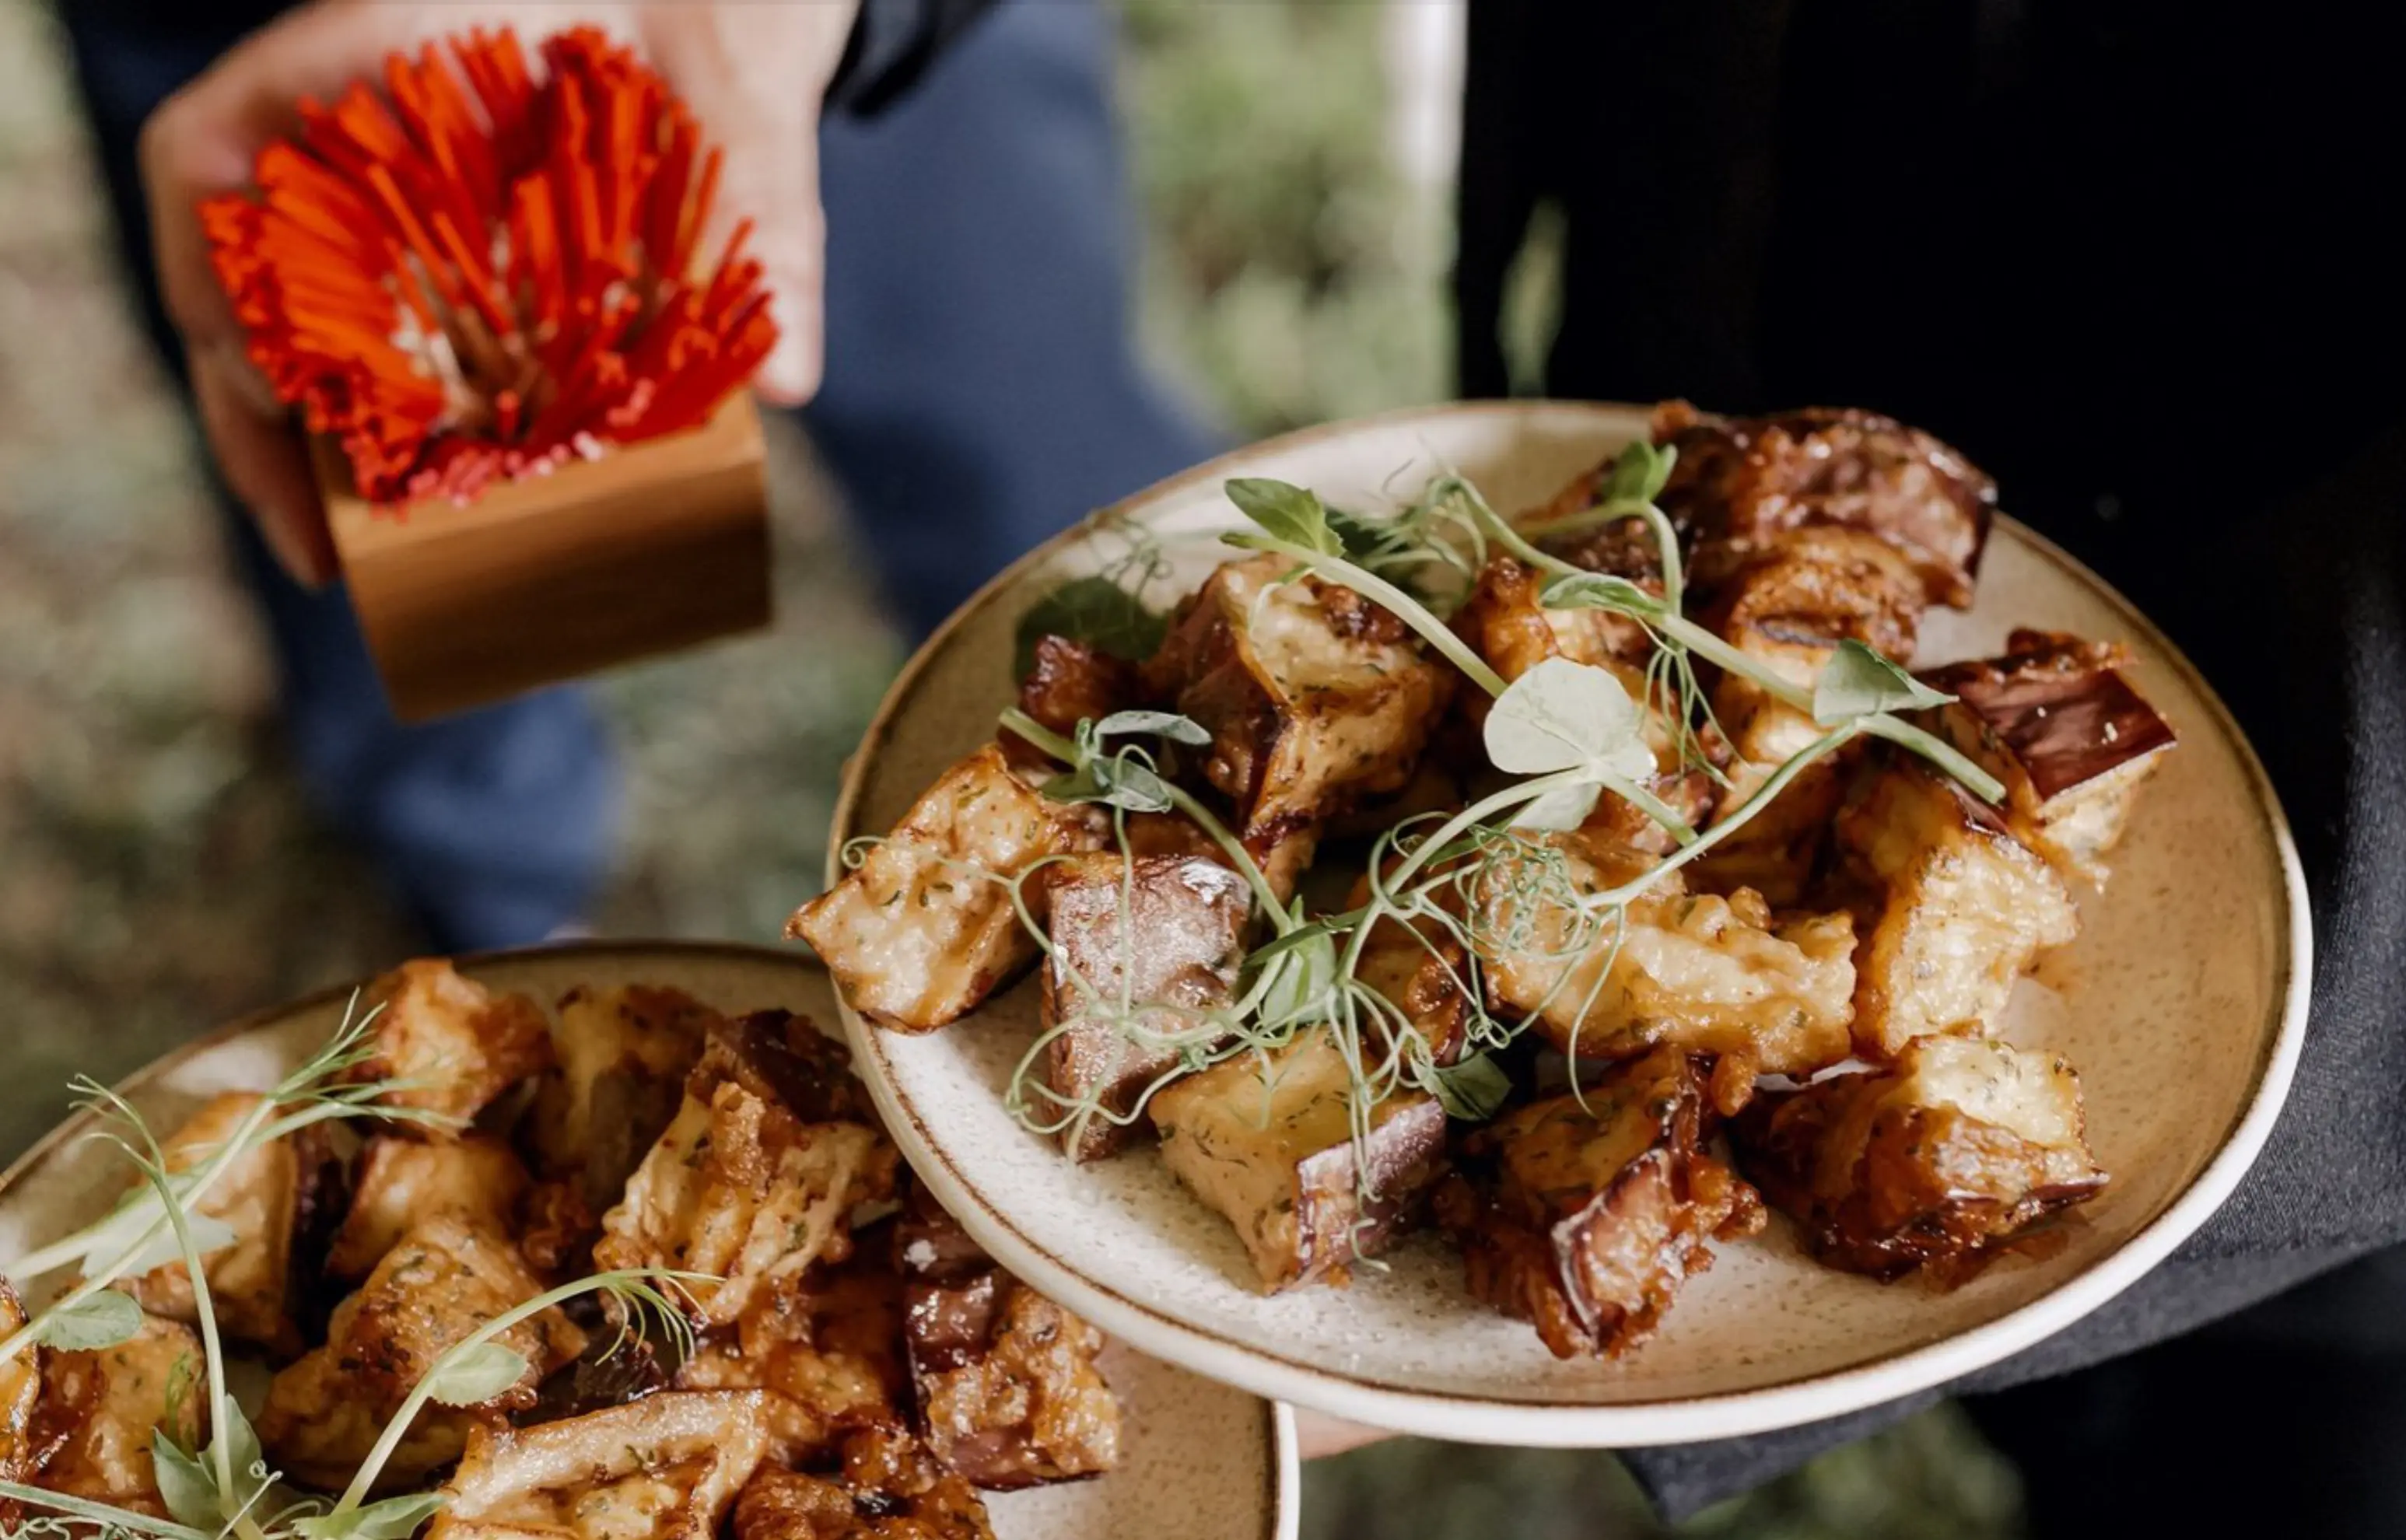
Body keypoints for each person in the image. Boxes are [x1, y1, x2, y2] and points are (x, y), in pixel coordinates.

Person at [121, 0, 2406, 1532]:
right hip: (1755, 215)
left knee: (2258, 1437)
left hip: (2354, 940)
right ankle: (479, 862)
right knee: (530, 560)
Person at [69, 0, 1214, 950]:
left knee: (1033, 462)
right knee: (395, 568)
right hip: (268, 63)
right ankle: (487, 892)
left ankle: (1182, 821)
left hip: (871, 65)